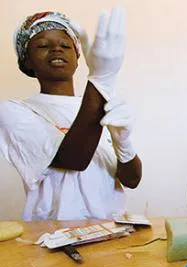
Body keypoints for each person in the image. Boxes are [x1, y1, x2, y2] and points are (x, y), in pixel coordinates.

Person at [0, 8, 142, 220]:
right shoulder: (13, 111)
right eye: (43, 45)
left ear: (77, 58)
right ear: (26, 60)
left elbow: (132, 180)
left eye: (66, 45)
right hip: (53, 237)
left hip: (112, 229)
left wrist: (124, 144)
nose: (57, 49)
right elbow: (73, 160)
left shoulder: (99, 104)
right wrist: (102, 78)